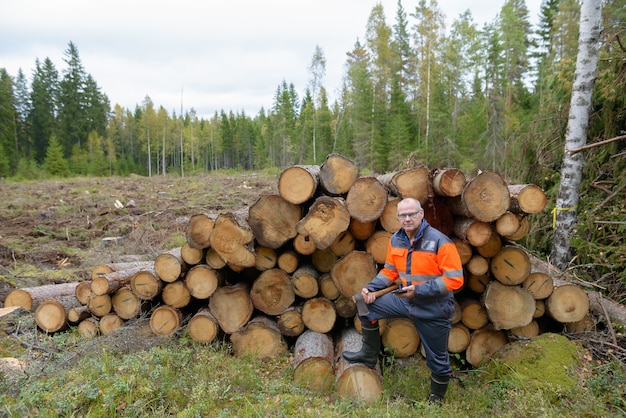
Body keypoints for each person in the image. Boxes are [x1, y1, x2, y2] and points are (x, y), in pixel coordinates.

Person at [342, 197, 464, 405]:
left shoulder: (440, 241)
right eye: (403, 215)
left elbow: (455, 279)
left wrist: (420, 291)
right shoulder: (396, 240)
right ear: (398, 217)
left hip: (434, 307)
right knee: (363, 302)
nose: (407, 219)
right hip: (406, 301)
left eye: (411, 214)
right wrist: (371, 288)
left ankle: (437, 398)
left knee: (438, 360)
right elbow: (390, 272)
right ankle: (369, 355)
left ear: (421, 215)